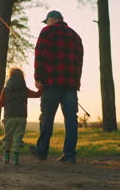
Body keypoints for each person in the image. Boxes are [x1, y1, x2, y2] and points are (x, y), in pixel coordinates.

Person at [29, 10, 84, 163]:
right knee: (71, 121)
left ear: (52, 19)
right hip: (70, 86)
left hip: (52, 84)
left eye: (46, 20)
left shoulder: (47, 32)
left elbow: (40, 55)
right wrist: (76, 82)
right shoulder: (75, 36)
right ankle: (69, 154)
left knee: (47, 118)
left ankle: (42, 151)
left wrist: (38, 78)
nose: (46, 23)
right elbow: (79, 62)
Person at [0, 68, 42, 166]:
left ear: (10, 76)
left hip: (9, 117)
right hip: (21, 117)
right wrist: (42, 87)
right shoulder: (24, 89)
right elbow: (37, 95)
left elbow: (0, 103)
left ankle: (6, 156)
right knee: (17, 138)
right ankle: (15, 159)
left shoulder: (6, 89)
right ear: (21, 77)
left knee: (8, 137)